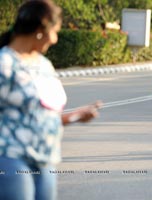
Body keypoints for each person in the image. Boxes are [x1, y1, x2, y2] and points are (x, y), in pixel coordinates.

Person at [0, 1, 99, 199]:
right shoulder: (5, 64)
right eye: (54, 31)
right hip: (11, 157)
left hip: (46, 158)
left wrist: (75, 116)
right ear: (40, 29)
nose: (55, 39)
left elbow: (42, 114)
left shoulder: (44, 64)